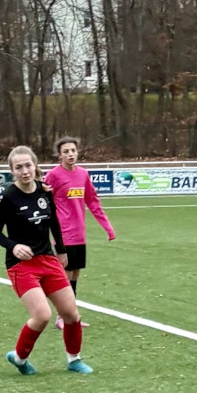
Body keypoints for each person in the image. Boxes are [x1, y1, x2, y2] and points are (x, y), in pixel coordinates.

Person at [0, 145, 93, 376]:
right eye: (19, 167)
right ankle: (19, 357)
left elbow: (54, 222)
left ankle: (74, 360)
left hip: (47, 259)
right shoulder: (6, 196)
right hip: (21, 266)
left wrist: (62, 250)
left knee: (71, 314)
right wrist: (14, 246)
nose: (24, 171)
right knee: (42, 315)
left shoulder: (44, 190)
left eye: (28, 165)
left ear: (35, 166)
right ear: (11, 170)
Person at [44, 136, 116, 330]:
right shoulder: (53, 175)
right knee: (65, 275)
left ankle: (68, 316)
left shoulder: (83, 174)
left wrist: (107, 227)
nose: (70, 154)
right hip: (63, 234)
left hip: (79, 234)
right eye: (66, 151)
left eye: (73, 151)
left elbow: (92, 201)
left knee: (75, 275)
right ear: (59, 155)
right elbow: (43, 199)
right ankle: (63, 317)